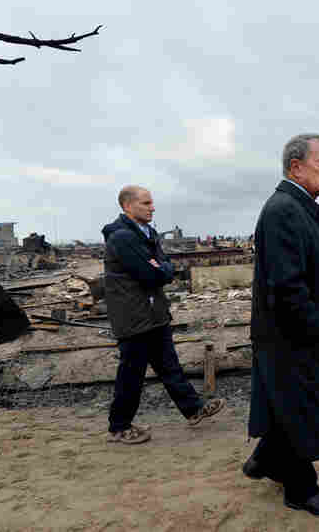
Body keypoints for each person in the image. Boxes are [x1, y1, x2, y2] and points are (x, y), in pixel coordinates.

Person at [243, 134, 319, 517]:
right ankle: (300, 488)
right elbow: (287, 286)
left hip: (293, 332)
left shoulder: (298, 207)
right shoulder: (284, 210)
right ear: (295, 167)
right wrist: (314, 329)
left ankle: (266, 460)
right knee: (302, 407)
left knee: (287, 403)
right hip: (290, 335)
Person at [103, 185, 224, 444]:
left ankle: (193, 409)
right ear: (127, 206)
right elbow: (151, 274)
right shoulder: (122, 237)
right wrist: (160, 269)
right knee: (131, 375)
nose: (152, 207)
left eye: (151, 202)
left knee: (169, 366)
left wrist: (161, 268)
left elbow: (163, 268)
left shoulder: (147, 234)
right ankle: (119, 426)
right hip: (134, 317)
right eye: (146, 203)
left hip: (153, 313)